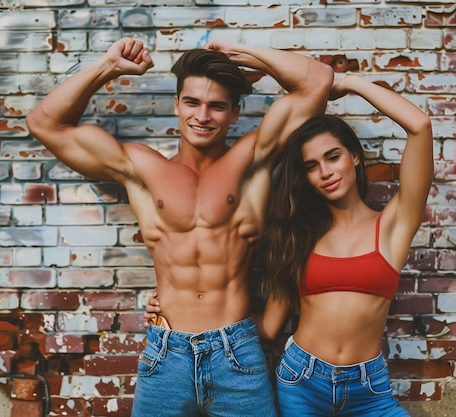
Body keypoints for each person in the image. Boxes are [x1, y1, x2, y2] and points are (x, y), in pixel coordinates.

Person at [26, 37, 334, 417]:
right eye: (192, 102)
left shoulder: (253, 158)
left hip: (235, 351)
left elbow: (318, 80)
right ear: (176, 104)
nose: (202, 116)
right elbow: (44, 122)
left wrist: (239, 54)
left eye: (216, 106)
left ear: (234, 113)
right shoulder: (140, 167)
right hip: (165, 353)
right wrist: (109, 65)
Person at [147, 74, 432, 415]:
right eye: (312, 166)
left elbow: (420, 126)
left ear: (354, 157)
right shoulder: (297, 236)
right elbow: (268, 327)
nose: (325, 171)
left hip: (369, 389)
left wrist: (353, 84)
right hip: (302, 381)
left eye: (333, 156)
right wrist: (182, 314)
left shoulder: (393, 225)